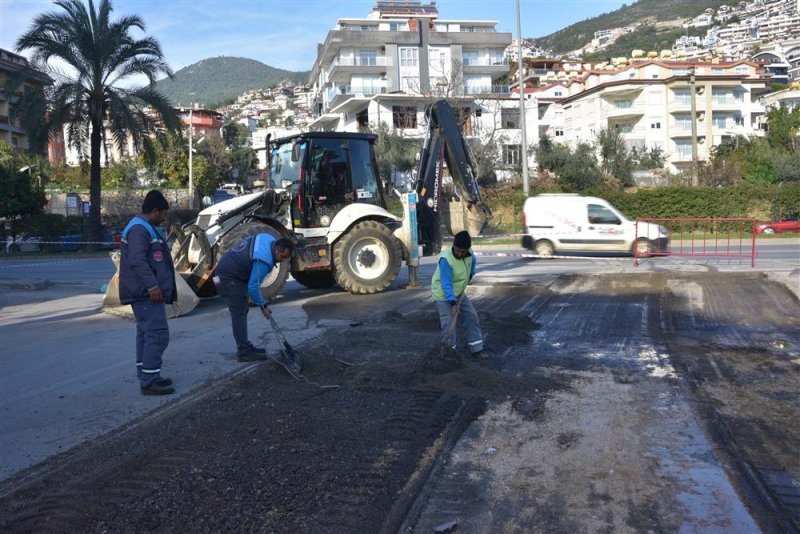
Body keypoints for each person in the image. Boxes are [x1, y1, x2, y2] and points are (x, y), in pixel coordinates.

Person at [119, 190, 176, 395]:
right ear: (154, 211)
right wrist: (153, 286)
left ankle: (148, 375)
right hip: (145, 293)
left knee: (146, 335)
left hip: (146, 292)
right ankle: (149, 381)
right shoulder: (139, 230)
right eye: (163, 214)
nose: (164, 218)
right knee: (158, 334)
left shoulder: (144, 227)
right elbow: (137, 261)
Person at [215, 233, 294, 362]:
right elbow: (253, 287)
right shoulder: (263, 260)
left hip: (221, 272)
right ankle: (244, 352)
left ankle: (246, 346)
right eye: (282, 256)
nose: (283, 260)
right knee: (239, 313)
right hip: (225, 279)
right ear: (277, 249)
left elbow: (247, 240)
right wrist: (263, 306)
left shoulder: (267, 238)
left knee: (241, 310)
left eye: (286, 258)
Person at [431, 230, 484, 356]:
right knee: (449, 325)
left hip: (459, 292)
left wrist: (470, 275)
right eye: (457, 250)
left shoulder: (470, 254)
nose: (459, 253)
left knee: (471, 317)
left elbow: (472, 266)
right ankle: (448, 354)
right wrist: (453, 303)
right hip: (444, 295)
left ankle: (477, 350)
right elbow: (446, 283)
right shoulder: (446, 259)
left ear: (467, 250)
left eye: (462, 251)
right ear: (453, 246)